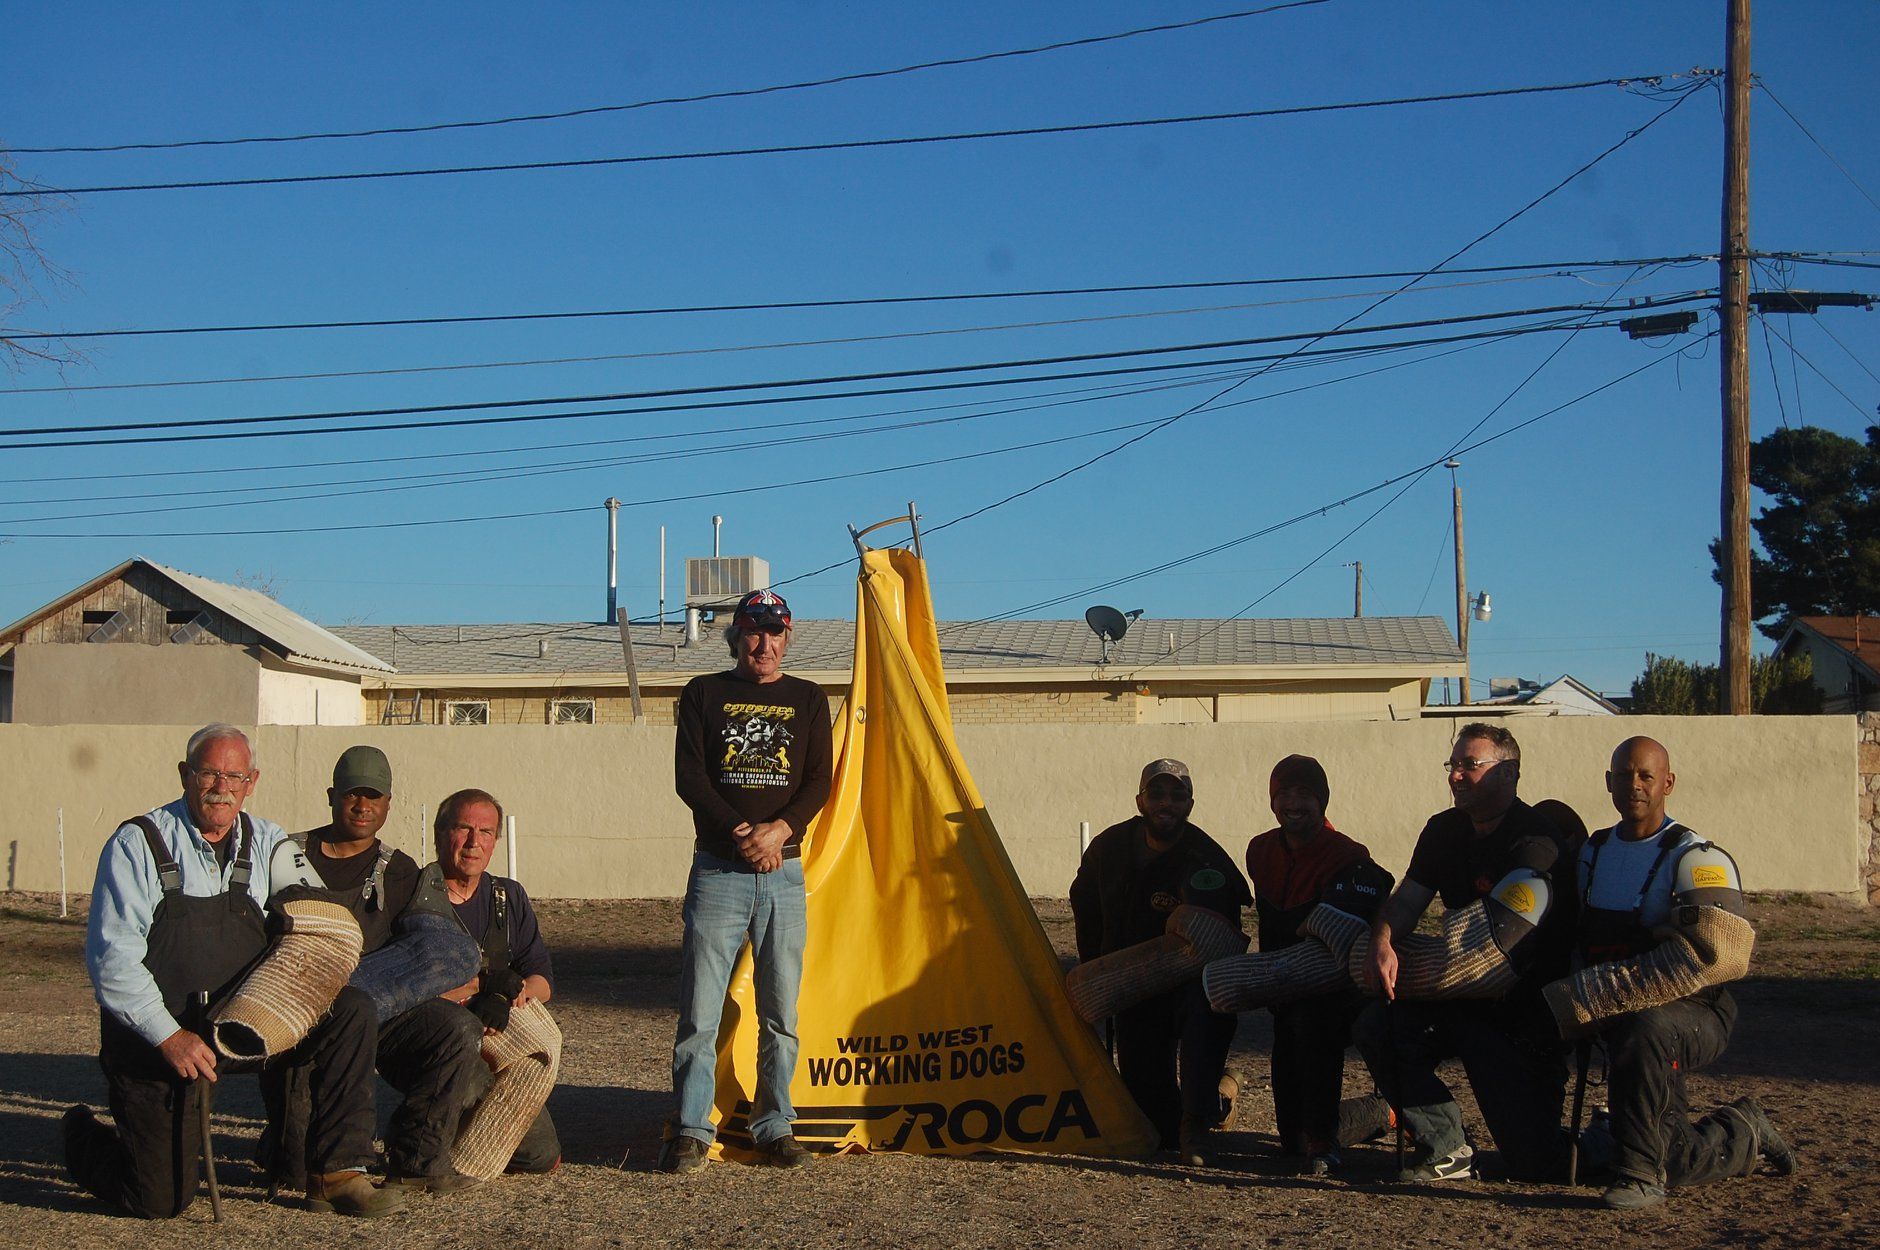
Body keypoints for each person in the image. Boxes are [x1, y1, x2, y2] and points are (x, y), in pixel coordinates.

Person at [63, 724, 401, 1219]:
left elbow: (315, 910)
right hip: (160, 1043)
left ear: (252, 781)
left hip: (241, 1029)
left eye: (234, 776)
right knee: (160, 1200)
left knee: (349, 1010)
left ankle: (338, 1171)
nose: (221, 787)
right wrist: (170, 1037)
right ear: (185, 775)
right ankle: (81, 1136)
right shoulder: (137, 843)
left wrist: (314, 948)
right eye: (209, 773)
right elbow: (111, 961)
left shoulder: (268, 842)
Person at [1565, 736, 1793, 1210]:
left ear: (1667, 782)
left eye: (1646, 775)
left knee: (1644, 1027)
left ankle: (1641, 1175)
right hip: (1615, 1009)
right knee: (1680, 1157)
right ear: (1609, 783)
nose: (1635, 785)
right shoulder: (1593, 853)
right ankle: (1733, 1130)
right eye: (1624, 775)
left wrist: (1603, 996)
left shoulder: (1697, 857)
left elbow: (1720, 953)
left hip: (1694, 1014)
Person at [1356, 722, 1578, 1183]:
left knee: (1537, 1164)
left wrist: (1424, 965)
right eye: (1452, 765)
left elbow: (1493, 953)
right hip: (1457, 995)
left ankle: (1659, 1135)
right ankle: (1446, 1146)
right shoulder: (1443, 830)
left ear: (1508, 774)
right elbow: (1407, 901)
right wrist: (1381, 943)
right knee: (1378, 1024)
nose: (1456, 775)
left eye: (1469, 765)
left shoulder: (1535, 844)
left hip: (1521, 1011)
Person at [663, 589, 834, 1174]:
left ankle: (774, 1125)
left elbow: (819, 781)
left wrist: (780, 831)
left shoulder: (809, 699)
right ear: (736, 638)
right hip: (719, 870)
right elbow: (690, 777)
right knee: (700, 1010)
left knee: (781, 1011)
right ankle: (690, 1127)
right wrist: (743, 832)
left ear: (788, 638)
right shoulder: (704, 693)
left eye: (775, 632)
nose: (764, 643)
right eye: (753, 632)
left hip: (784, 873)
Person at [272, 746, 488, 1195]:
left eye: (374, 798)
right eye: (353, 795)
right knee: (292, 1172)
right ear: (332, 795)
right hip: (295, 1016)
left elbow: (438, 949)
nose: (363, 807)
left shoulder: (400, 870)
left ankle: (417, 1160)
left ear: (389, 803)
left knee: (456, 1023)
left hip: (375, 1011)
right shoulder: (286, 857)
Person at [1070, 758, 1252, 1165]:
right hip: (1133, 991)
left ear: (1190, 804)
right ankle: (1222, 1094)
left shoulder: (1206, 858)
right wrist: (1098, 971)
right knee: (1155, 1130)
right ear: (1140, 800)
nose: (1166, 802)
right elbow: (1084, 904)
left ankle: (1199, 1120)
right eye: (1157, 793)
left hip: (1189, 990)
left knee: (1207, 1017)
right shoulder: (1108, 848)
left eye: (1177, 794)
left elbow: (1222, 941)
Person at [1243, 755, 1392, 1176]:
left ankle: (1334, 1135)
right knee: (1292, 1139)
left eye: (1305, 794)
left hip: (1334, 992)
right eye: (1284, 793)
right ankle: (1377, 1112)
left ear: (1323, 801)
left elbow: (1361, 919)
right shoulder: (1259, 851)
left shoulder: (1348, 856)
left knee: (1311, 1025)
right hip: (1282, 989)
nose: (1294, 803)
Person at [432, 787, 563, 1176]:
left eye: (486, 832)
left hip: (501, 1037)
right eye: (463, 829)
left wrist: (511, 994)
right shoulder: (417, 896)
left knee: (540, 1157)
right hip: (439, 1037)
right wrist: (483, 986)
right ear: (441, 833)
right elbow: (413, 989)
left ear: (496, 842)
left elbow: (544, 980)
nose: (474, 843)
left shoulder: (508, 896)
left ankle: (442, 1131)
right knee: (471, 1089)